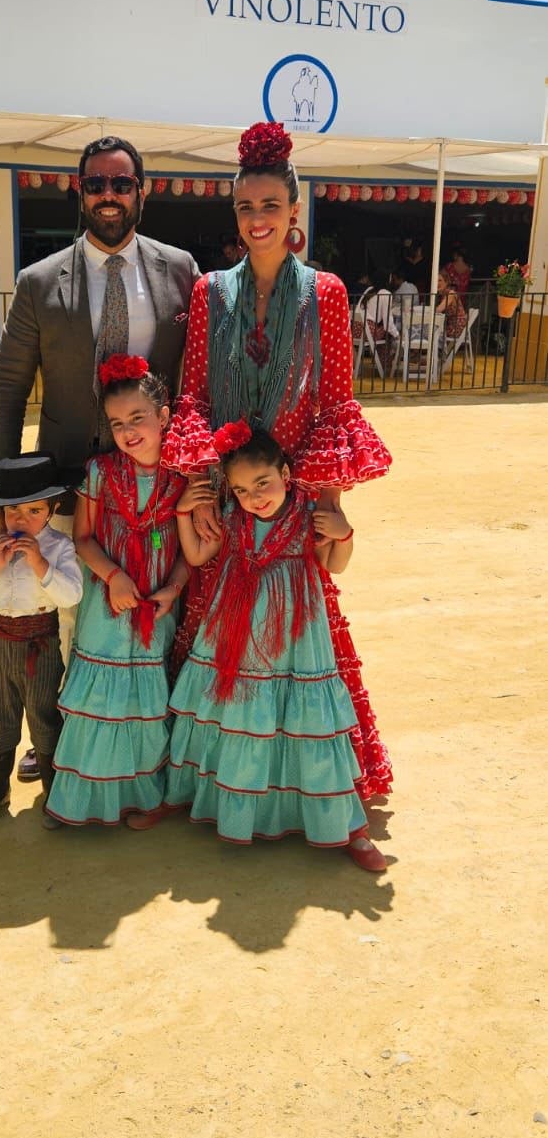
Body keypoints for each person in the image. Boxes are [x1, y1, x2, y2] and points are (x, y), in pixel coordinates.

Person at [178, 120, 393, 800]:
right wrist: (197, 490)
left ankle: (307, 791)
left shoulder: (325, 292)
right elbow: (192, 394)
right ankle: (219, 787)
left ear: (294, 211)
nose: (258, 219)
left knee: (301, 649)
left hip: (294, 504)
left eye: (271, 205)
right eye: (245, 207)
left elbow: (334, 402)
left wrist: (329, 505)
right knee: (220, 643)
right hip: (226, 497)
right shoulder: (209, 291)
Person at [0, 134, 200, 779]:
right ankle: (60, 738)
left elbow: (193, 381)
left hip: (154, 487)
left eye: (121, 183)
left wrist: (197, 472)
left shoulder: (180, 271)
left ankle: (152, 737)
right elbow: (7, 388)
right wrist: (6, 494)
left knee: (155, 607)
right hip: (69, 483)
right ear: (80, 192)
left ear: (143, 191)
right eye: (97, 184)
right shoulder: (38, 282)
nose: (109, 195)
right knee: (71, 612)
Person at [166, 423, 387, 869]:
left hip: (296, 639)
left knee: (308, 723)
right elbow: (195, 557)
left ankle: (344, 825)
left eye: (262, 483)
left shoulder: (309, 516)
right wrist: (180, 515)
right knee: (238, 718)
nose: (254, 496)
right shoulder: (231, 517)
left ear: (286, 473)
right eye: (243, 489)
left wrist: (344, 534)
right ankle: (209, 800)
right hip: (235, 636)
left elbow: (334, 566)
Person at [43, 355, 189, 832]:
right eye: (117, 423)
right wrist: (113, 577)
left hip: (157, 607)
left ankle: (144, 796)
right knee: (102, 702)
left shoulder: (186, 475)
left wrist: (174, 588)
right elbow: (82, 538)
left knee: (147, 703)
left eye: (138, 419)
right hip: (107, 607)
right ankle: (88, 797)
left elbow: (196, 549)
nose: (128, 432)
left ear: (164, 416)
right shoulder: (100, 472)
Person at [0, 453, 83, 829]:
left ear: (52, 509)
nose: (22, 520)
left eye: (34, 511)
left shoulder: (59, 547)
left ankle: (54, 790)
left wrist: (41, 565)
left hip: (41, 642)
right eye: (13, 511)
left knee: (44, 713)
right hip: (0, 642)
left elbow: (72, 594)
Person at [436, 269, 467, 341]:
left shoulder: (451, 294)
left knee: (429, 331)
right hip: (448, 326)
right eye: (436, 280)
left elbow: (438, 310)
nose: (437, 283)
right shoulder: (441, 296)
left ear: (446, 282)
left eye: (440, 280)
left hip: (456, 328)